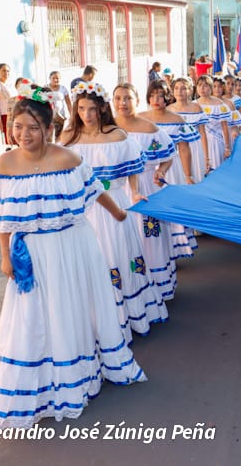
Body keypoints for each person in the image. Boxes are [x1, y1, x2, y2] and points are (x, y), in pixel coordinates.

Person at [0, 85, 147, 429]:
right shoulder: (5, 162)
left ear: (48, 129)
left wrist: (119, 213)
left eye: (33, 128)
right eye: (18, 127)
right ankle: (36, 387)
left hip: (72, 246)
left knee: (68, 310)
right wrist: (5, 257)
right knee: (30, 318)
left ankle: (77, 376)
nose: (24, 135)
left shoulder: (68, 158)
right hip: (30, 252)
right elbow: (1, 216)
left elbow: (95, 190)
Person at [61, 82, 168, 337]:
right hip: (82, 209)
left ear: (101, 109)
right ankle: (95, 319)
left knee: (119, 256)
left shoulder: (118, 135)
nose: (86, 115)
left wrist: (134, 193)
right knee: (91, 260)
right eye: (82, 109)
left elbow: (132, 170)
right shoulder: (68, 138)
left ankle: (126, 315)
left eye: (92, 109)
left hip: (115, 204)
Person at [112, 83, 177, 300]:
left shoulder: (150, 128)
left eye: (127, 98)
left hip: (146, 188)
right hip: (116, 192)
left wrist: (161, 171)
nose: (122, 103)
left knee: (150, 236)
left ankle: (159, 286)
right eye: (118, 98)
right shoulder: (107, 129)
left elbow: (169, 155)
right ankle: (131, 290)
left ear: (137, 101)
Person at [139, 80, 197, 259]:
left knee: (170, 210)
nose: (156, 99)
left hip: (171, 169)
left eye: (160, 95)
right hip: (146, 173)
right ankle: (152, 252)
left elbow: (184, 149)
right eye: (152, 95)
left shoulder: (177, 119)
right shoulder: (140, 118)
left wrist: (188, 176)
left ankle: (172, 250)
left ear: (167, 97)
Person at [168, 78, 210, 180]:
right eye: (176, 88)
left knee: (195, 178)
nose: (179, 92)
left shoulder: (196, 108)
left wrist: (206, 157)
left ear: (190, 90)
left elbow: (203, 133)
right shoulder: (168, 110)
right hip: (176, 151)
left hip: (194, 149)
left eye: (183, 88)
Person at [195, 75, 232, 170]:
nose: (202, 88)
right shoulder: (193, 105)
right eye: (199, 85)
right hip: (198, 144)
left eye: (205, 85)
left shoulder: (219, 105)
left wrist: (227, 147)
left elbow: (225, 127)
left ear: (210, 88)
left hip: (216, 142)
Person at [47, 70, 72, 141]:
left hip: (60, 117)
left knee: (59, 136)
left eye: (57, 78)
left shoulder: (63, 89)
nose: (55, 80)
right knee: (49, 136)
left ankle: (57, 150)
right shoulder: (45, 88)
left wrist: (72, 116)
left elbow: (68, 103)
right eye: (53, 78)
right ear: (50, 78)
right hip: (49, 116)